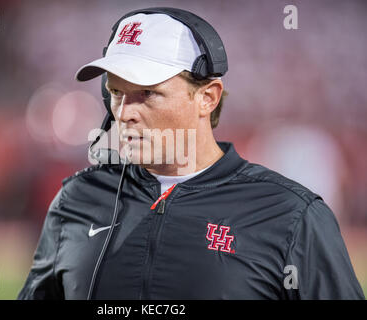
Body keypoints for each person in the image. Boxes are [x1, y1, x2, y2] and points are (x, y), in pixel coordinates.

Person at [18, 8, 365, 300]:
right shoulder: (77, 199)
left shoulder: (292, 216)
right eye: (117, 93)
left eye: (148, 94)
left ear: (208, 97)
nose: (125, 113)